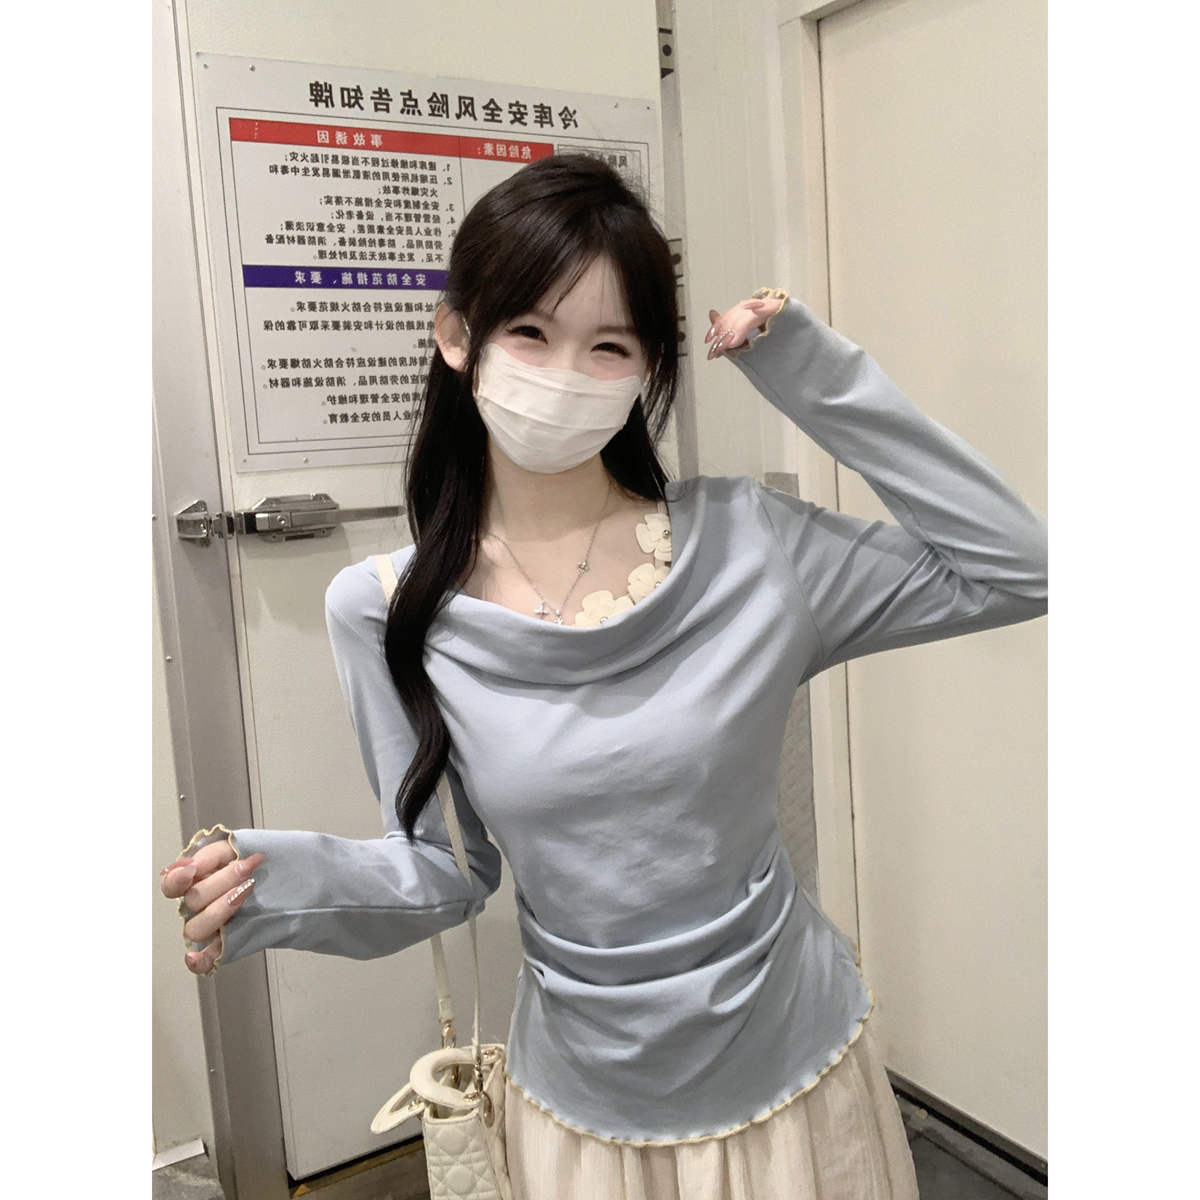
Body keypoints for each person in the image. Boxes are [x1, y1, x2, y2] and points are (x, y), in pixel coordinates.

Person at [161, 154, 1047, 1199]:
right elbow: (444, 869)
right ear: (457, 336)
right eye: (530, 333)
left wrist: (806, 368)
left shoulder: (753, 546)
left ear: (647, 371)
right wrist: (271, 880)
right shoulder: (386, 608)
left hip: (798, 1070)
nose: (564, 373)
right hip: (587, 1111)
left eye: (610, 346)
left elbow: (1016, 568)